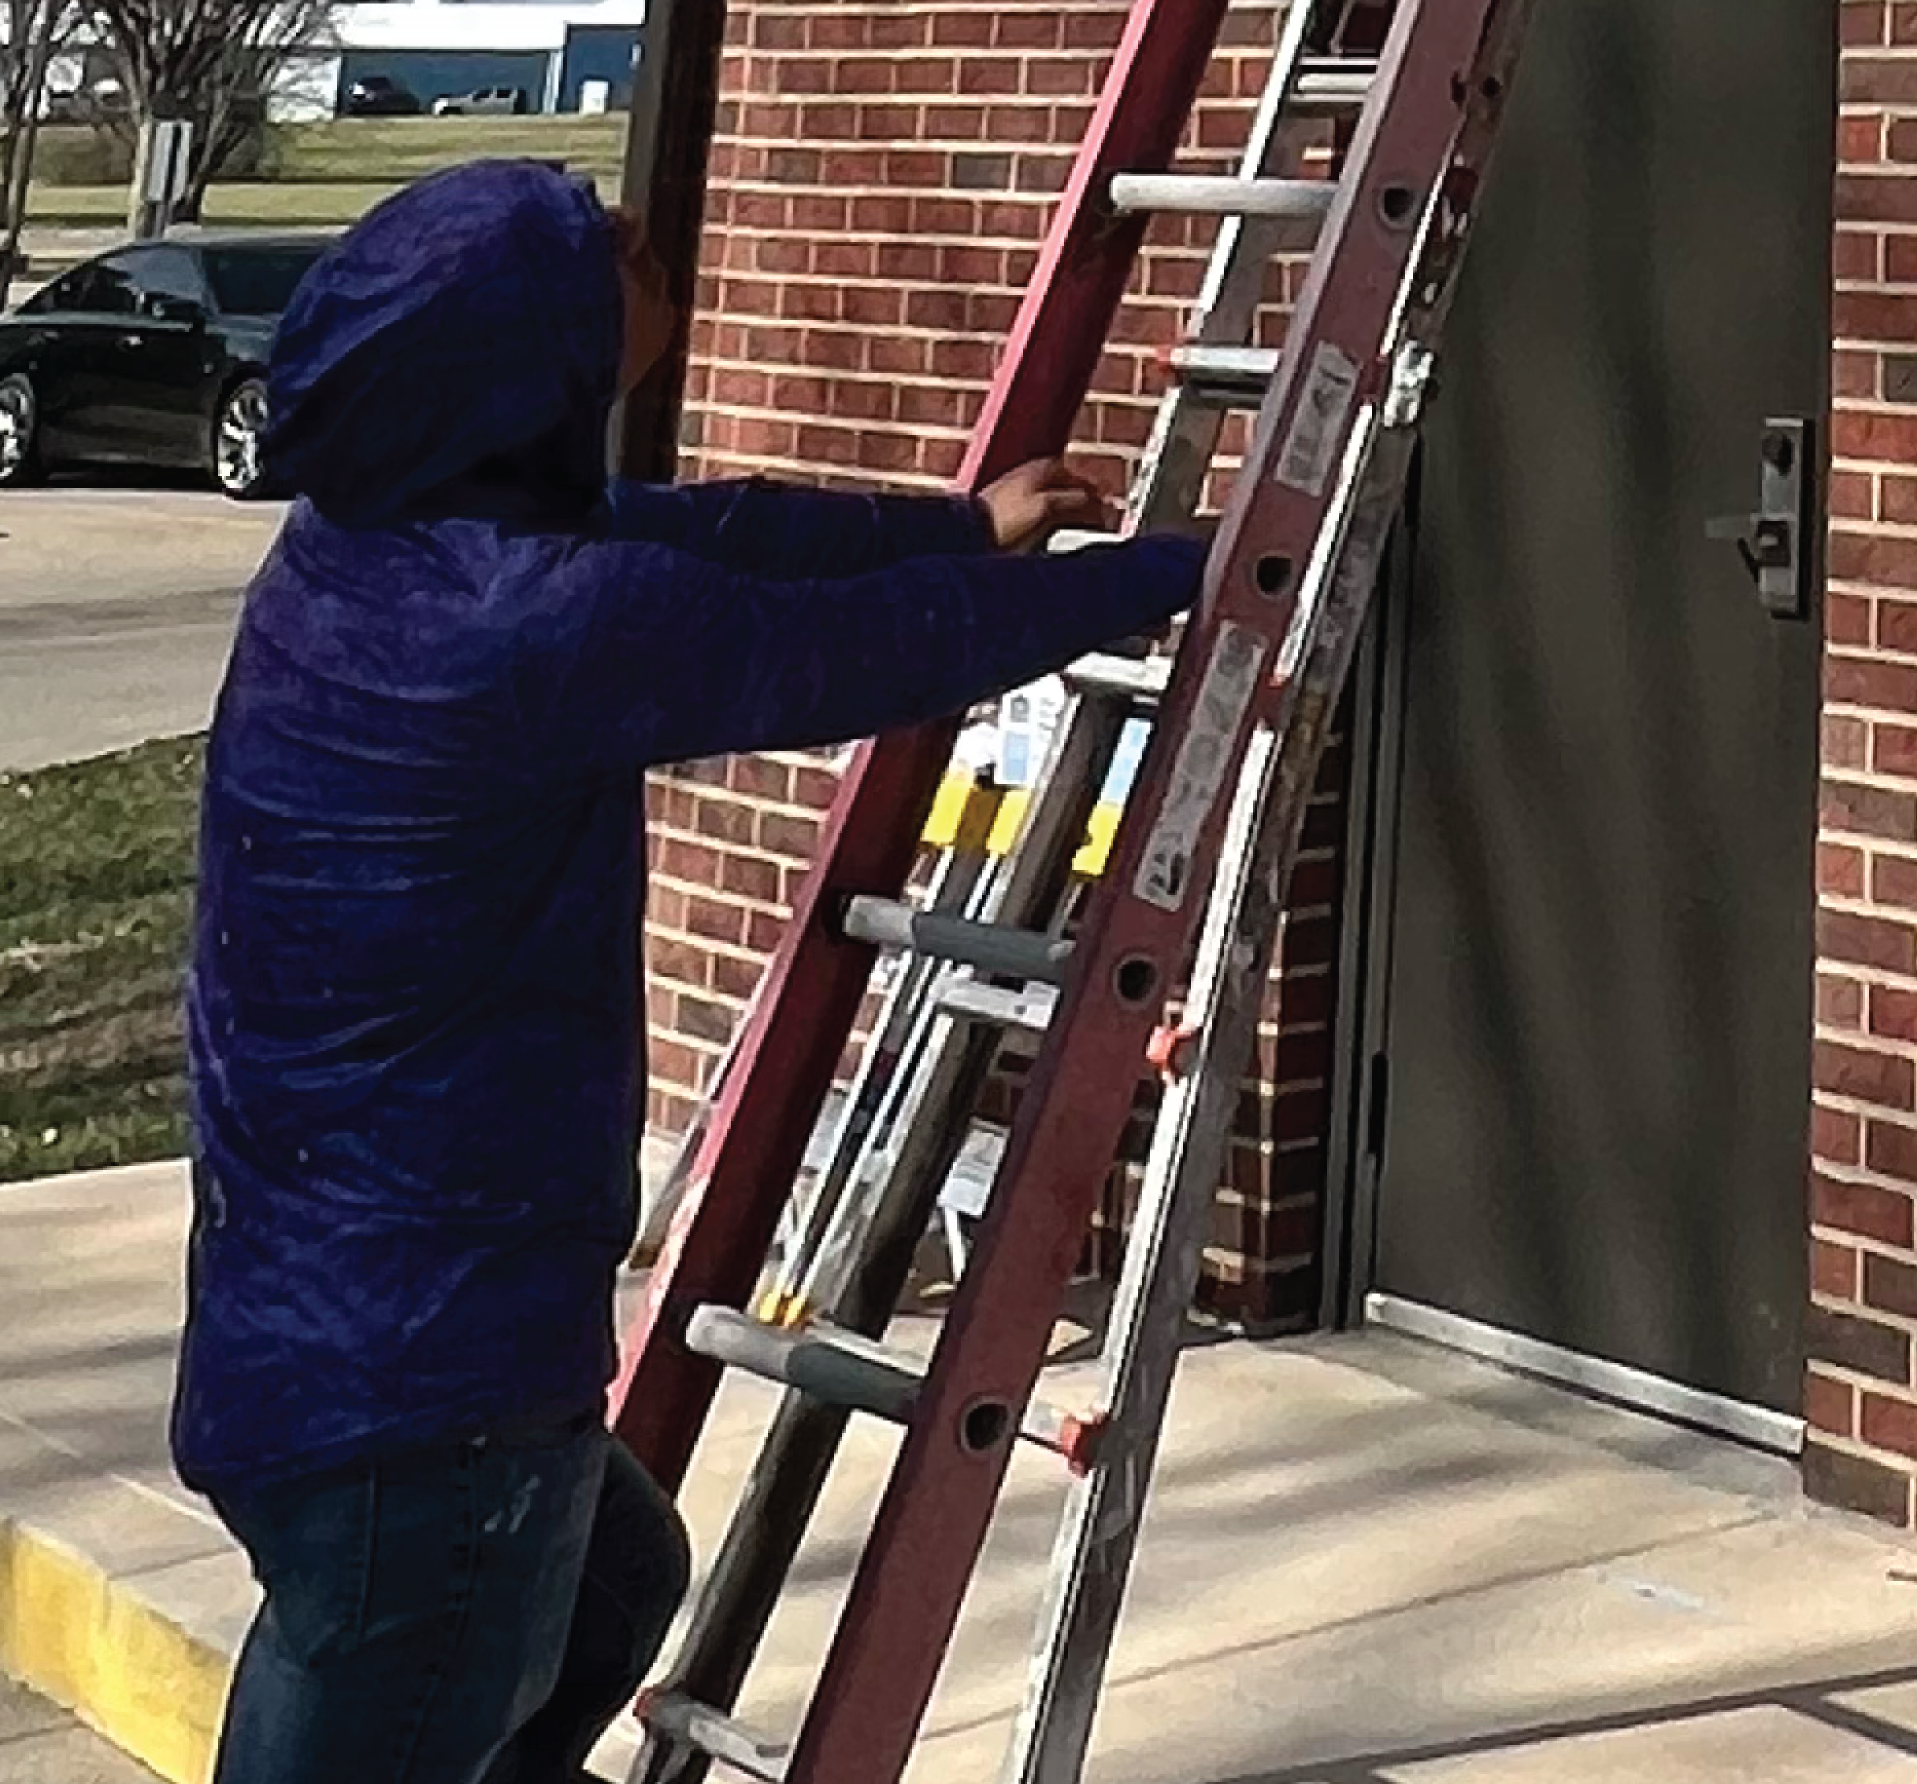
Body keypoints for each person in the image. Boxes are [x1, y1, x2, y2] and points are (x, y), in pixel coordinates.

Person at [171, 160, 1207, 1784]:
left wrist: (964, 528)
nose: (659, 252)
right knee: (433, 1656)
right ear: (533, 350)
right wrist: (1180, 573)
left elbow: (724, 537)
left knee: (617, 1584)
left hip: (333, 1337)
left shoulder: (386, 546)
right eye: (621, 254)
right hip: (423, 1388)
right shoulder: (523, 626)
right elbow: (842, 653)